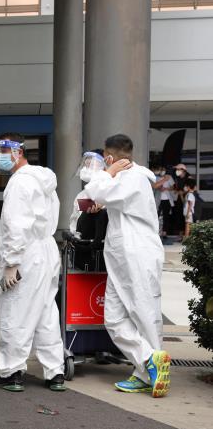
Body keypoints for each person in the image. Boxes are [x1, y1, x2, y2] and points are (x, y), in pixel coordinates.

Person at [84, 133, 170, 398]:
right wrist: (101, 202)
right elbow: (101, 196)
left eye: (105, 161)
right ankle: (147, 362)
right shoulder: (127, 179)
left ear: (110, 157)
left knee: (144, 314)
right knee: (115, 318)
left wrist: (106, 173)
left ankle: (149, 369)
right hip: (125, 256)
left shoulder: (132, 178)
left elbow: (96, 188)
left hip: (137, 253)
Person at [0, 133, 66, 393]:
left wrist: (11, 261)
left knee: (16, 311)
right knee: (46, 313)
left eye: (3, 149)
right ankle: (54, 372)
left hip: (26, 254)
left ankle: (12, 371)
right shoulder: (44, 179)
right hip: (46, 250)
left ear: (18, 151)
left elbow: (16, 225)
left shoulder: (19, 183)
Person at [69, 150, 108, 272]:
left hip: (103, 250)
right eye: (85, 165)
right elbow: (75, 221)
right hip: (83, 249)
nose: (87, 168)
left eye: (91, 164)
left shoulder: (109, 190)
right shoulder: (82, 194)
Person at [150, 163, 175, 238]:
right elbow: (155, 186)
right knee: (156, 215)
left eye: (163, 170)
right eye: (161, 170)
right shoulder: (155, 177)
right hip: (158, 200)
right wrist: (164, 180)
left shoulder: (169, 177)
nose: (162, 171)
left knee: (166, 216)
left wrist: (166, 188)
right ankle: (155, 232)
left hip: (167, 199)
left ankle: (164, 232)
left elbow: (173, 187)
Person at [172, 163, 190, 237]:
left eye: (178, 169)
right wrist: (176, 190)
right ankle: (180, 234)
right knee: (178, 216)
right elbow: (176, 187)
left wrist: (182, 192)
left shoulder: (189, 178)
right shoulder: (177, 178)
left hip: (187, 200)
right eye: (176, 169)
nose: (177, 171)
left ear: (183, 170)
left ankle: (186, 235)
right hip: (178, 199)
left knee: (186, 217)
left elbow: (191, 189)